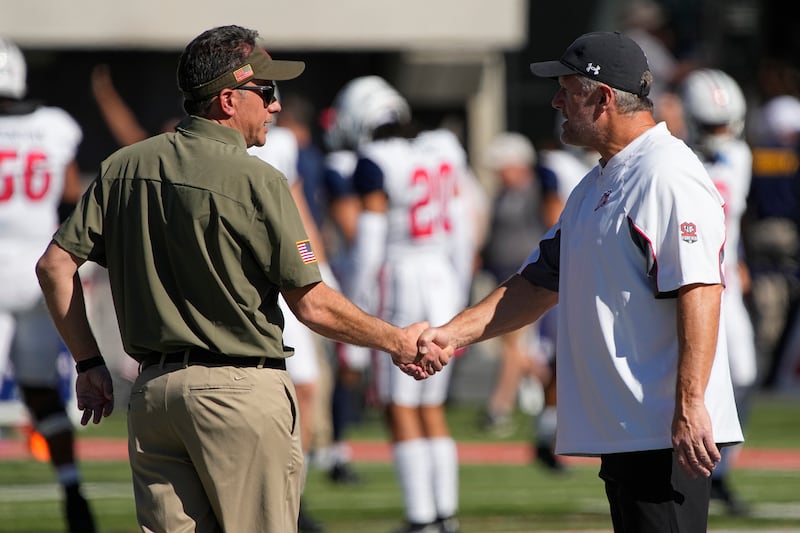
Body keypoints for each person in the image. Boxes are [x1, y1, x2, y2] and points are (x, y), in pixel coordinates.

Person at [34, 25, 436, 533]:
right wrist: (397, 340)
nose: (274, 106)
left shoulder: (122, 167)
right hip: (237, 393)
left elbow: (54, 266)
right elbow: (312, 304)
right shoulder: (260, 178)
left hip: (154, 395)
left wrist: (88, 362)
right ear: (228, 99)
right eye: (266, 92)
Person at [417, 31, 744, 533]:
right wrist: (451, 335)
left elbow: (699, 287)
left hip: (665, 433)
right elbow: (538, 282)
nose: (557, 101)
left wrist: (691, 404)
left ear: (603, 97)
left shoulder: (666, 173)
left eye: (567, 89)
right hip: (629, 431)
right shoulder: (597, 183)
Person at [342, 75, 470, 533]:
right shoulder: (440, 151)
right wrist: (461, 299)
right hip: (442, 276)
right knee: (430, 406)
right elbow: (461, 230)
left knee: (399, 405)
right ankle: (444, 514)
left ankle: (421, 518)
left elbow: (370, 246)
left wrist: (355, 311)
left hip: (400, 279)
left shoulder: (375, 161)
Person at [0, 37, 97, 533]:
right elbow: (69, 196)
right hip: (39, 271)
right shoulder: (55, 126)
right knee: (42, 393)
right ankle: (72, 486)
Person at [680, 68, 758, 516]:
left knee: (744, 376)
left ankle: (720, 470)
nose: (721, 134)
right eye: (711, 125)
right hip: (695, 280)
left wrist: (740, 258)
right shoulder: (677, 158)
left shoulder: (739, 157)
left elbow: (735, 219)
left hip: (725, 280)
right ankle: (695, 473)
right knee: (698, 380)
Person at [248, 120, 328, 532]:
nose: (274, 103)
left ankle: (296, 497)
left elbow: (298, 209)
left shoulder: (280, 143)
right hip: (240, 279)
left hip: (288, 273)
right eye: (263, 90)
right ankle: (263, 498)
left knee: (307, 388)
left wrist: (321, 268)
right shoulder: (196, 142)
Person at [478, 133, 552, 444]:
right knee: (516, 349)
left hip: (528, 279)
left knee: (512, 346)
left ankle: (500, 407)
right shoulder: (502, 195)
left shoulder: (535, 190)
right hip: (503, 276)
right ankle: (554, 389)